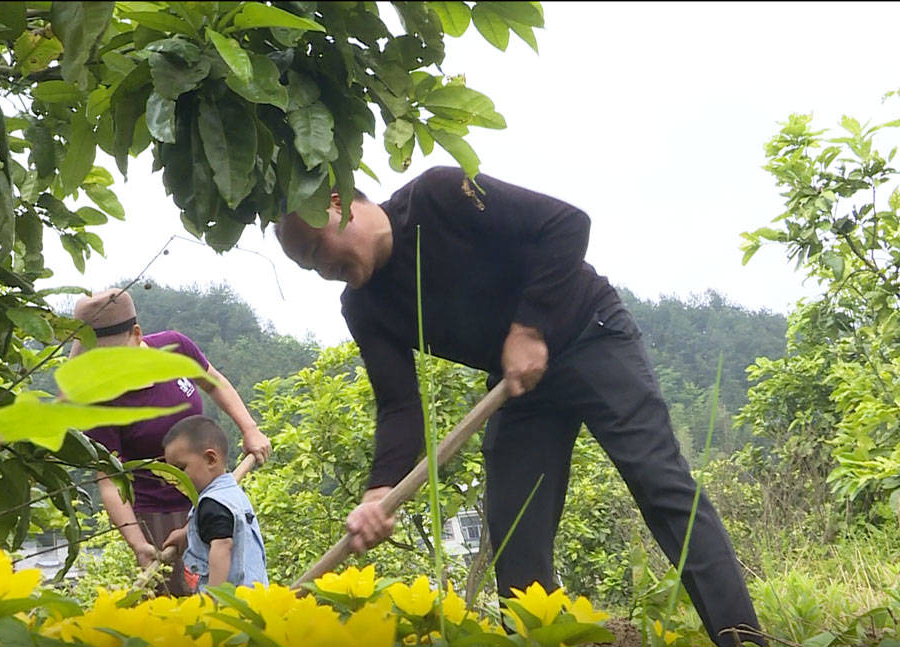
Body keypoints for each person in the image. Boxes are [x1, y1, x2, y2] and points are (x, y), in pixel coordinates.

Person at [274, 166, 764, 646]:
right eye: (307, 266)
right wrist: (378, 492)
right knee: (515, 538)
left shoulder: (438, 195)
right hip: (518, 386)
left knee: (661, 486)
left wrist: (529, 327)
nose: (321, 271)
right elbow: (400, 405)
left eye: (316, 250)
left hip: (589, 333)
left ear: (335, 203)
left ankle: (743, 639)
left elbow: (566, 224)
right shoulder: (362, 307)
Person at [72, 288, 270, 596]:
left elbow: (213, 382)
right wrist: (139, 544)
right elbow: (110, 482)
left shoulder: (175, 348)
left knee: (240, 575)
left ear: (136, 334)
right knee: (186, 599)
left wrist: (250, 429)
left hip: (215, 491)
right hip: (160, 516)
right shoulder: (100, 402)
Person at [161, 415, 268, 591]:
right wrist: (186, 533)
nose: (175, 479)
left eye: (181, 469)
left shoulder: (212, 504)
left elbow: (222, 546)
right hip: (254, 594)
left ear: (211, 459)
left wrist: (214, 597)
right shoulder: (230, 493)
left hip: (230, 604)